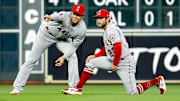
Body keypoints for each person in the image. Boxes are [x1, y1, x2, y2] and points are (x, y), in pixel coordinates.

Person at [61, 9, 166, 95]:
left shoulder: (111, 29)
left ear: (107, 18)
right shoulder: (107, 30)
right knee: (90, 63)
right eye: (97, 18)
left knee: (133, 92)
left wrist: (115, 63)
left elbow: (118, 47)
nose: (98, 20)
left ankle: (156, 81)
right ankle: (77, 88)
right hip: (112, 60)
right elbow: (107, 48)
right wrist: (95, 56)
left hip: (124, 62)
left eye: (101, 18)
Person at [10, 4, 87, 95]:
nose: (75, 16)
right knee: (31, 60)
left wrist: (63, 57)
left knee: (73, 57)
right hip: (46, 34)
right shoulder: (65, 15)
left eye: (78, 15)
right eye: (74, 13)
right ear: (71, 13)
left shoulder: (82, 30)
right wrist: (49, 17)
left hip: (63, 40)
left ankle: (74, 88)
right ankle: (17, 88)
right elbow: (55, 16)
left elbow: (74, 47)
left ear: (82, 17)